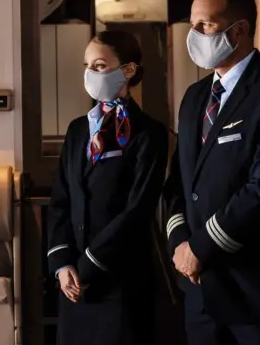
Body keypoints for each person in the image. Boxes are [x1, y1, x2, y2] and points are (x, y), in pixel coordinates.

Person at [163, 0, 260, 345]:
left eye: (205, 26)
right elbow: (179, 181)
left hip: (255, 290)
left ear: (239, 31)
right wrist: (181, 245)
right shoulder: (194, 97)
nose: (194, 35)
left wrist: (200, 248)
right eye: (192, 25)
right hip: (199, 287)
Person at [47, 30, 168, 345]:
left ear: (128, 70)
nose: (90, 73)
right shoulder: (77, 130)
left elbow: (138, 210)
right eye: (87, 66)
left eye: (99, 65)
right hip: (73, 282)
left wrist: (88, 265)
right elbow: (61, 199)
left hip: (119, 278)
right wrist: (62, 264)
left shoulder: (149, 133)